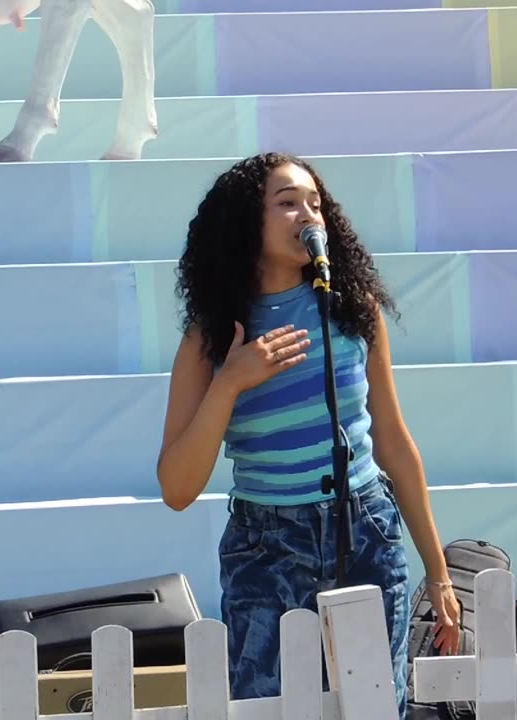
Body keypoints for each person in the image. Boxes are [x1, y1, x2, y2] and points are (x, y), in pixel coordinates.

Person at [156, 151, 461, 717]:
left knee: (375, 706)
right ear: (248, 220)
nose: (308, 215)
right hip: (266, 543)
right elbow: (176, 487)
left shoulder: (352, 311)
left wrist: (438, 575)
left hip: (364, 525)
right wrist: (229, 385)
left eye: (316, 203)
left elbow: (393, 440)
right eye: (288, 203)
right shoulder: (211, 335)